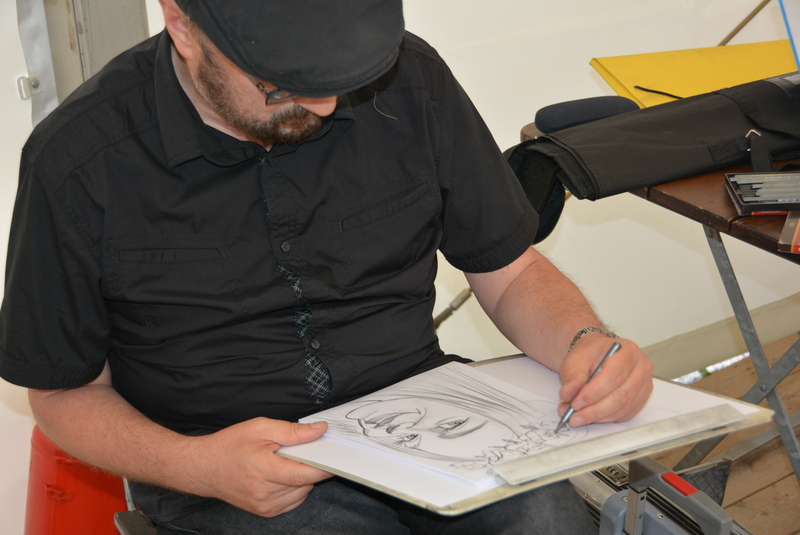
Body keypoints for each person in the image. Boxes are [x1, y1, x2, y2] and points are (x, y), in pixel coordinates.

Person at [0, 0, 653, 533]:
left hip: (422, 422)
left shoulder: (412, 81)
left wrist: (584, 343)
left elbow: (508, 272)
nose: (323, 106)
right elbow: (63, 393)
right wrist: (198, 465)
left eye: (339, 79)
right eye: (282, 84)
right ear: (183, 26)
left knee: (548, 520)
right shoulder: (78, 162)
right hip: (227, 467)